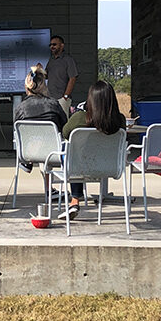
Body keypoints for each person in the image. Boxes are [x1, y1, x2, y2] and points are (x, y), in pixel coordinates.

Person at [59, 80, 126, 220]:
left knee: (66, 148)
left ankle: (75, 199)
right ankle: (77, 198)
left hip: (81, 167)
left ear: (90, 100)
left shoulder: (79, 118)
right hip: (109, 167)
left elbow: (65, 133)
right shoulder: (120, 121)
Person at [14, 63, 67, 173]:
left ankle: (27, 164)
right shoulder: (54, 104)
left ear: (26, 87)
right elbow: (65, 128)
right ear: (44, 86)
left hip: (28, 154)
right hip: (53, 153)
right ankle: (50, 188)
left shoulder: (20, 108)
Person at [46, 35, 79, 114]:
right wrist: (38, 70)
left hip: (62, 99)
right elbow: (46, 75)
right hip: (50, 99)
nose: (52, 47)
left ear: (62, 45)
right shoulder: (51, 60)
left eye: (54, 44)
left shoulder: (68, 60)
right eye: (50, 45)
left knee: (63, 124)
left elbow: (73, 78)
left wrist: (65, 96)